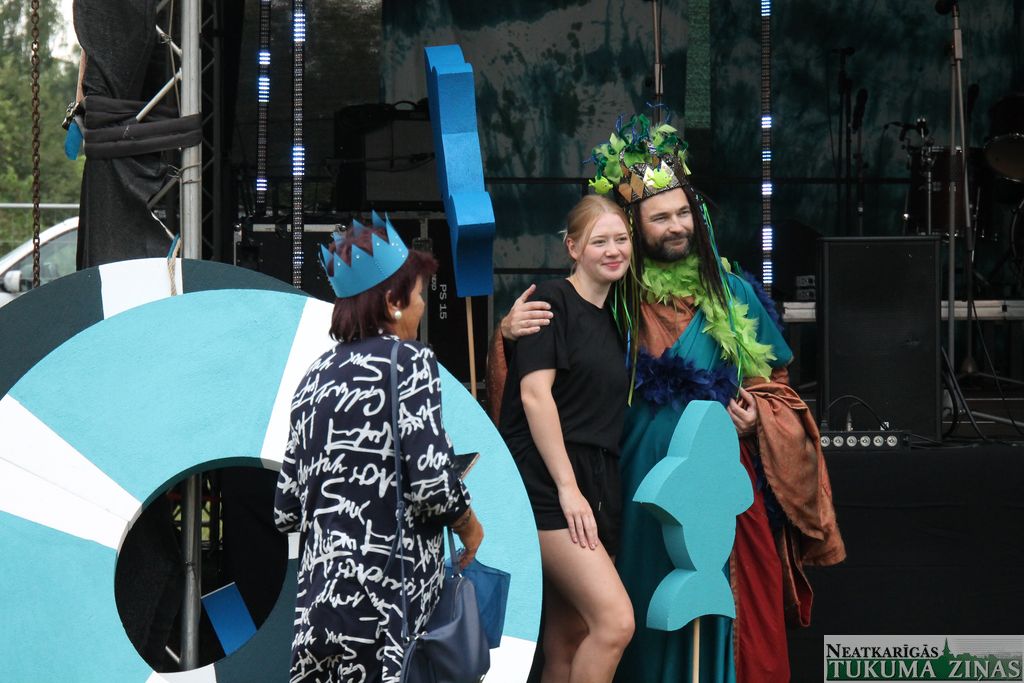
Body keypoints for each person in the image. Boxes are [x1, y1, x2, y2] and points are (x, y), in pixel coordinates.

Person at [491, 113, 845, 683]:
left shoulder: (733, 295)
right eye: (660, 217)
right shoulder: (613, 292)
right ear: (634, 226)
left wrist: (760, 414)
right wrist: (509, 333)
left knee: (718, 616)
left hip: (717, 495)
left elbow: (778, 385)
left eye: (684, 212)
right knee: (619, 617)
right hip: (631, 490)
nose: (676, 226)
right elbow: (544, 373)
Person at [274, 214, 484, 683]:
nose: (423, 305)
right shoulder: (409, 361)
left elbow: (286, 509)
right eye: (420, 294)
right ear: (393, 301)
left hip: (321, 609)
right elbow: (433, 484)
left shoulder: (312, 379)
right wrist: (470, 527)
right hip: (391, 610)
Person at [498, 195, 635, 683]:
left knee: (568, 637)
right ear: (573, 248)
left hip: (598, 480)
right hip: (550, 481)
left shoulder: (615, 321)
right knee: (615, 623)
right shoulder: (552, 302)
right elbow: (535, 396)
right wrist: (567, 488)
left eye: (621, 239)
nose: (613, 250)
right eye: (599, 241)